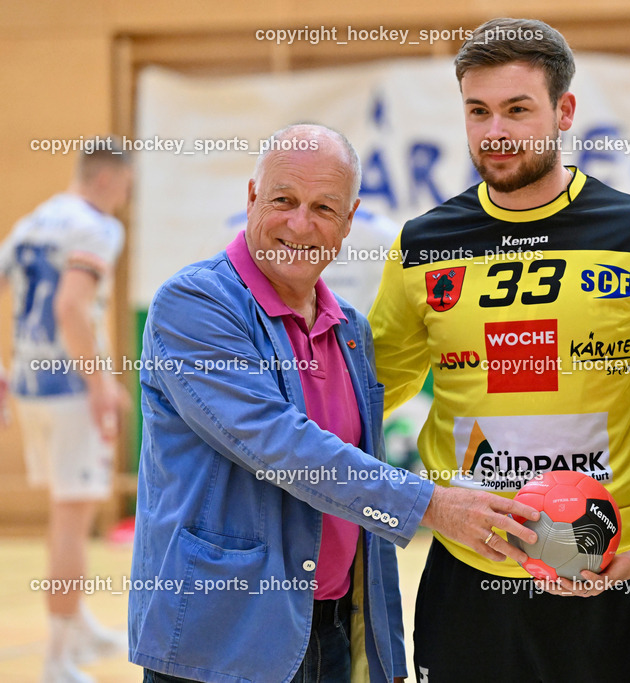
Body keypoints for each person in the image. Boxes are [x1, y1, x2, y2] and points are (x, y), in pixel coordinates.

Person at [128, 124, 539, 683]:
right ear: (251, 198)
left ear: (349, 222)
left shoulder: (351, 330)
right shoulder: (194, 304)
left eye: (324, 207)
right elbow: (280, 446)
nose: (301, 224)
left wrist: (384, 647)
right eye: (283, 200)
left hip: (331, 633)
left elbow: (356, 492)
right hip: (223, 638)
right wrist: (434, 505)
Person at [369, 18, 630, 683]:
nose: (494, 131)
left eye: (517, 109)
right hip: (470, 573)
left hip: (610, 566)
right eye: (477, 111)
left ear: (564, 111)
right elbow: (368, 393)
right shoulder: (423, 243)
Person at [0, 144, 132, 683]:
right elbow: (70, 307)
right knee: (71, 522)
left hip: (28, 385)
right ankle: (57, 657)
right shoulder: (94, 227)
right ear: (106, 180)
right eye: (125, 187)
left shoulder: (33, 221)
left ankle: (77, 624)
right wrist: (100, 384)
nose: (125, 199)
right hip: (70, 388)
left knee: (64, 511)